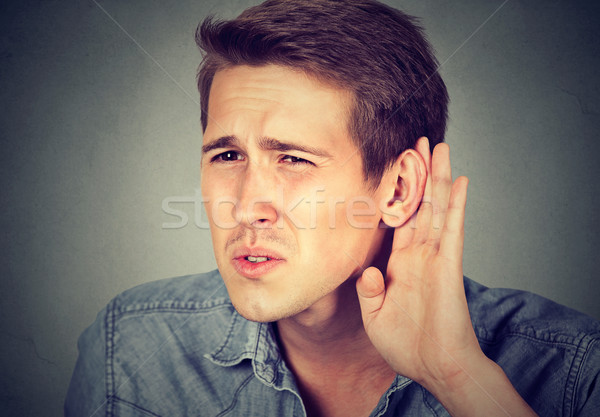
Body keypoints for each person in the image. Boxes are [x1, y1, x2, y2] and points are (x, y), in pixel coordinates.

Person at [65, 1, 600, 416]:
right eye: (227, 155)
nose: (247, 206)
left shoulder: (574, 371)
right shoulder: (128, 346)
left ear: (396, 189)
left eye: (294, 159)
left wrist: (459, 378)